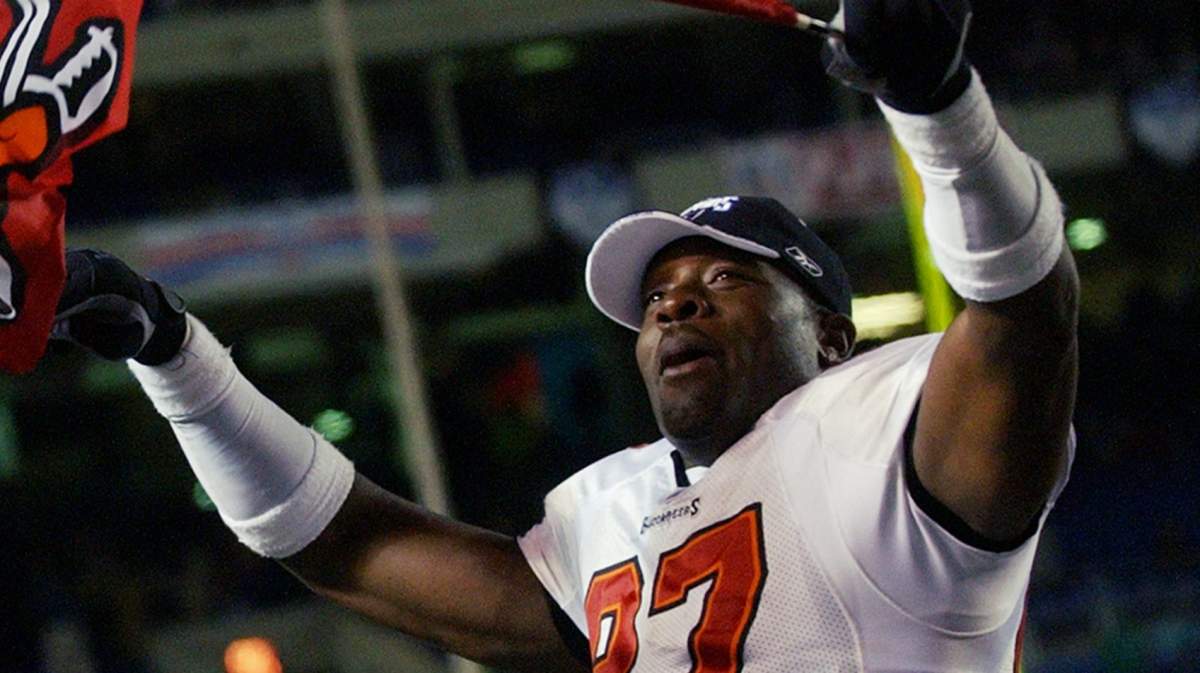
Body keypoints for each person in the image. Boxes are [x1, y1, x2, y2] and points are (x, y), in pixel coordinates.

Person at [51, 0, 1078, 670]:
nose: (675, 305)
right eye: (658, 294)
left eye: (724, 279)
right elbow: (343, 544)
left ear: (832, 337)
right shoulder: (607, 512)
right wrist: (174, 356)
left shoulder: (885, 430)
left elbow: (1024, 312)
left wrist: (940, 107)